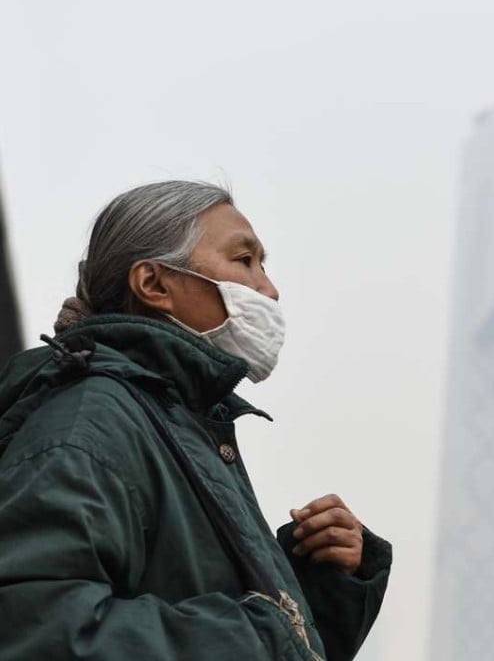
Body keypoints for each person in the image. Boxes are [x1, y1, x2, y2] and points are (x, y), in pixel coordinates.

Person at [0, 181, 390, 660]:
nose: (268, 288)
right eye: (244, 260)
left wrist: (317, 582)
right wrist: (267, 632)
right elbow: (38, 633)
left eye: (263, 265)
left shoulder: (177, 419)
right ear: (154, 285)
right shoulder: (91, 421)